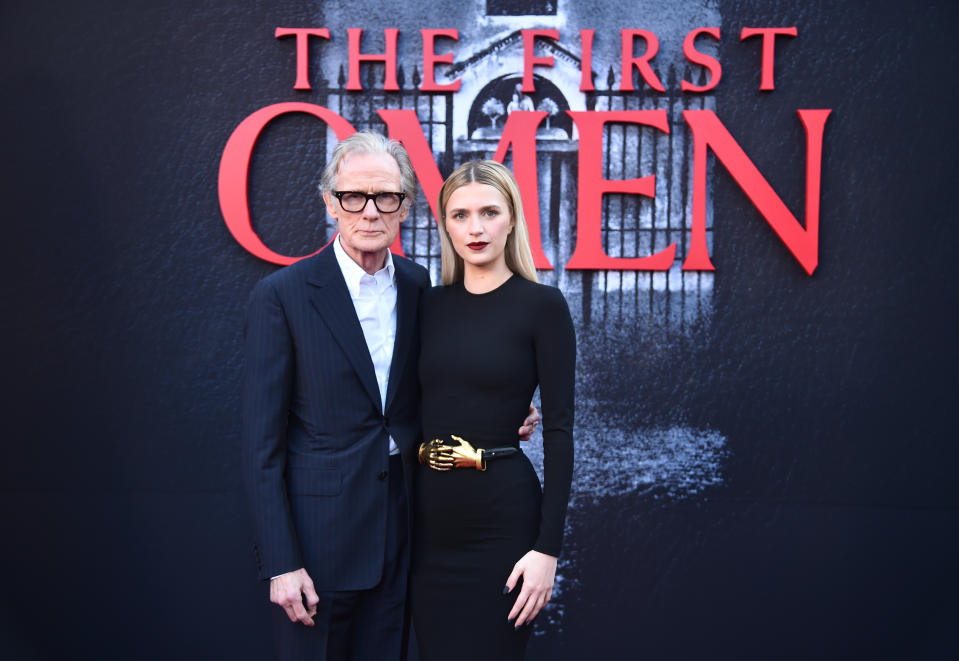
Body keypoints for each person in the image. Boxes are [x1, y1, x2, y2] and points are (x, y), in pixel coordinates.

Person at [241, 132, 538, 661]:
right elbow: (261, 444)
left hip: (406, 536)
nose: (370, 211)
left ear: (406, 206)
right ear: (330, 202)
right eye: (354, 196)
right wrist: (281, 563)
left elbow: (432, 390)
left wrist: (499, 412)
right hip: (318, 548)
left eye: (387, 197)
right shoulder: (283, 296)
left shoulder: (421, 286)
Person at [411, 160, 576, 660]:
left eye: (489, 212)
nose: (475, 228)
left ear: (512, 219)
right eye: (459, 215)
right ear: (445, 225)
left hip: (503, 528)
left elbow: (561, 433)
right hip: (427, 528)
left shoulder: (543, 306)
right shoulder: (424, 306)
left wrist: (547, 551)